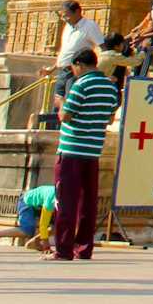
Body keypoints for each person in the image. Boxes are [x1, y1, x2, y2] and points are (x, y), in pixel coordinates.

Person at [51, 47, 119, 260]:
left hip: (72, 149)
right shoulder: (110, 87)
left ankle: (63, 248)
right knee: (88, 203)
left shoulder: (81, 85)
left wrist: (60, 102)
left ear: (79, 64)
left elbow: (67, 116)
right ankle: (83, 247)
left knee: (66, 201)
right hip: (93, 151)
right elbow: (108, 118)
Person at [43, 0, 103, 102]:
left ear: (77, 11)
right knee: (58, 103)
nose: (64, 19)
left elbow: (102, 46)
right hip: (63, 71)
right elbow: (66, 51)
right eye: (62, 16)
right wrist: (52, 68)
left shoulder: (89, 26)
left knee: (70, 103)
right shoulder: (68, 27)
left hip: (77, 70)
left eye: (67, 16)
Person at [0, 183, 56, 253]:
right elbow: (43, 224)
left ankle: (34, 242)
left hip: (39, 205)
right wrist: (46, 246)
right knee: (27, 230)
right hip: (26, 202)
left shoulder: (63, 196)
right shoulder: (51, 198)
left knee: (58, 226)